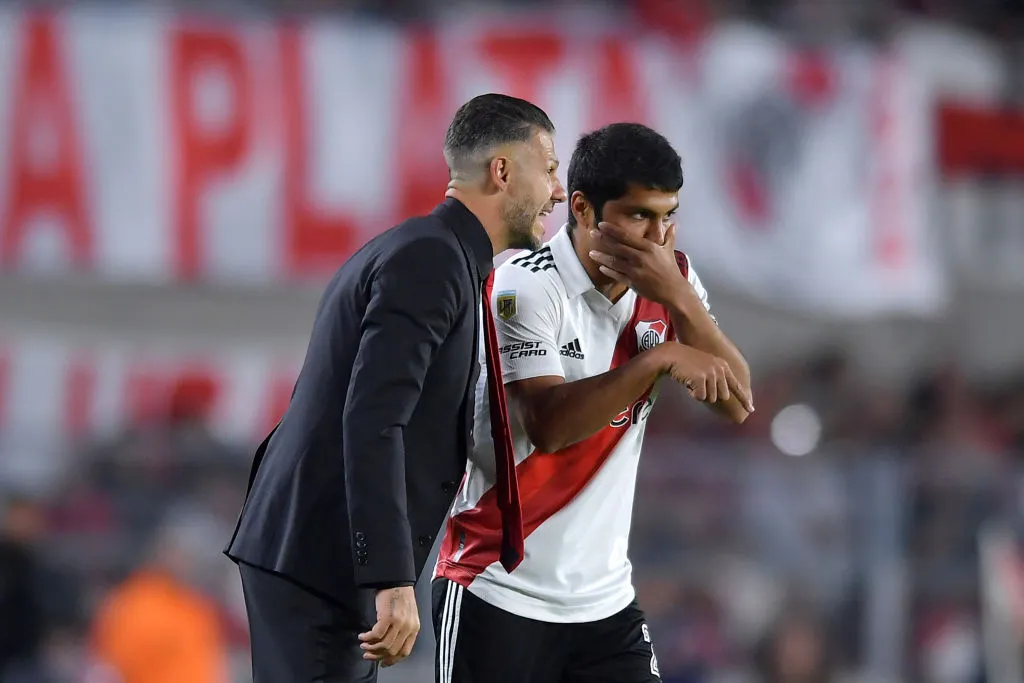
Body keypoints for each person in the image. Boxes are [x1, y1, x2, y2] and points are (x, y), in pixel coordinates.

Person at [224, 93, 566, 682]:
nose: (558, 192)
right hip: (321, 561)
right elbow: (374, 418)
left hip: (318, 556)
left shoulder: (438, 255)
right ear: (503, 172)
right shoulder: (431, 260)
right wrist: (389, 577)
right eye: (552, 168)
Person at [431, 122, 753, 683]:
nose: (657, 238)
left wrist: (679, 297)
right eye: (638, 216)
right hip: (498, 590)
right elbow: (551, 426)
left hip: (604, 606)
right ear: (582, 209)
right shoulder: (524, 286)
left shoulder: (669, 283)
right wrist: (656, 360)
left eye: (667, 216)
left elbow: (738, 403)